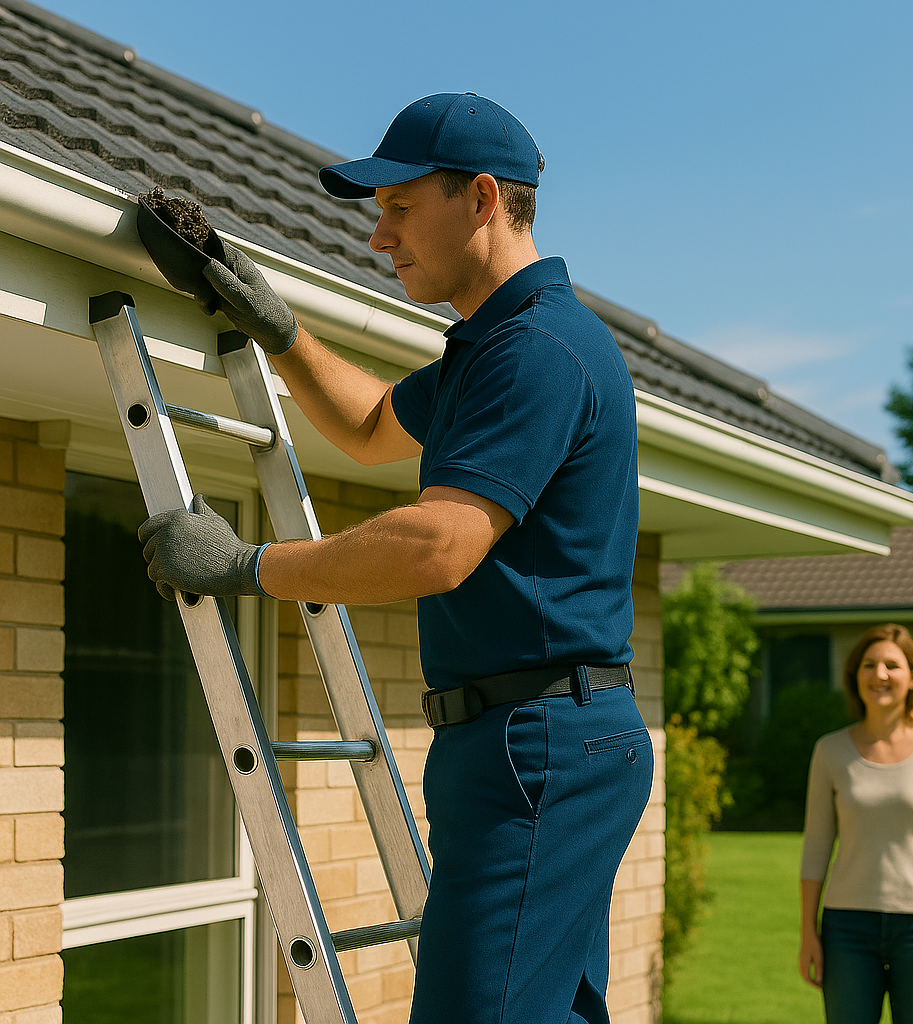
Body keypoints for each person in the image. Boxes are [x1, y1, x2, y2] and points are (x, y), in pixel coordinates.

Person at [139, 92, 654, 1024]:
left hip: (536, 744)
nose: (379, 238)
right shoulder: (493, 350)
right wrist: (276, 327)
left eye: (399, 207)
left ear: (484, 199)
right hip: (532, 739)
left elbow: (439, 544)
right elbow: (374, 425)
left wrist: (247, 565)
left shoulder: (536, 350)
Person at [798, 623, 913, 1024]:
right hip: (846, 929)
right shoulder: (829, 751)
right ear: (855, 676)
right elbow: (815, 849)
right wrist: (808, 933)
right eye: (869, 665)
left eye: (892, 665)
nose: (879, 674)